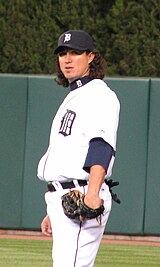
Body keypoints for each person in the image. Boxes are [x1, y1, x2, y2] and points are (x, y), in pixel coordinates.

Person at [37, 29, 120, 267]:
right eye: (63, 54)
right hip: (65, 197)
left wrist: (92, 193)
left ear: (91, 57)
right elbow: (69, 154)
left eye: (75, 53)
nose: (68, 59)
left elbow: (101, 146)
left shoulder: (99, 94)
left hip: (83, 194)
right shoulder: (77, 95)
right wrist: (53, 207)